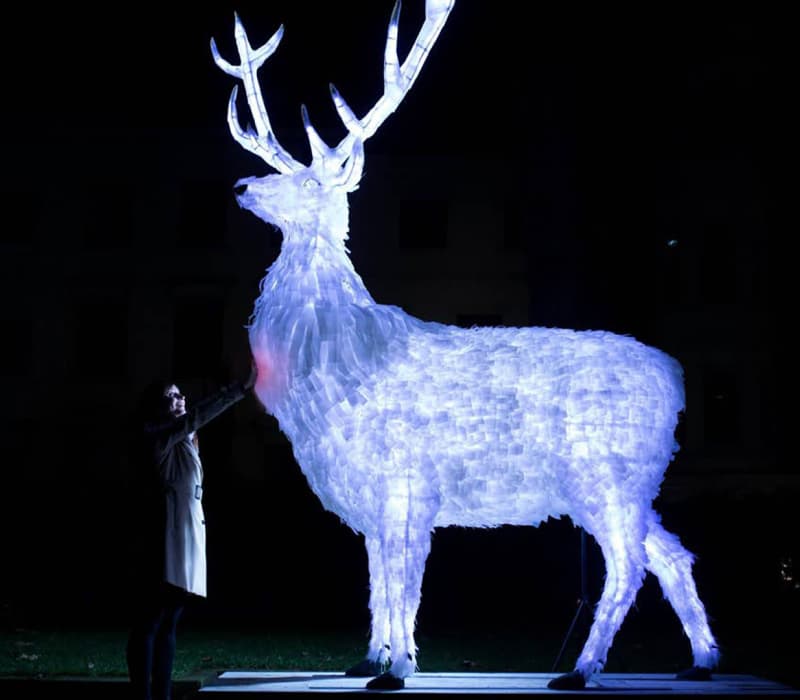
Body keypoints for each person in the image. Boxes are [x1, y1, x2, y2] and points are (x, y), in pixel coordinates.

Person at [125, 363, 257, 700]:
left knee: (168, 622)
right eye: (171, 396)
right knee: (151, 622)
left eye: (180, 394)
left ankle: (163, 694)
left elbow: (191, 426)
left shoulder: (184, 439)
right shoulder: (159, 436)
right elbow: (194, 417)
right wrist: (238, 390)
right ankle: (144, 694)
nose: (180, 398)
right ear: (157, 406)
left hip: (186, 534)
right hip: (164, 538)